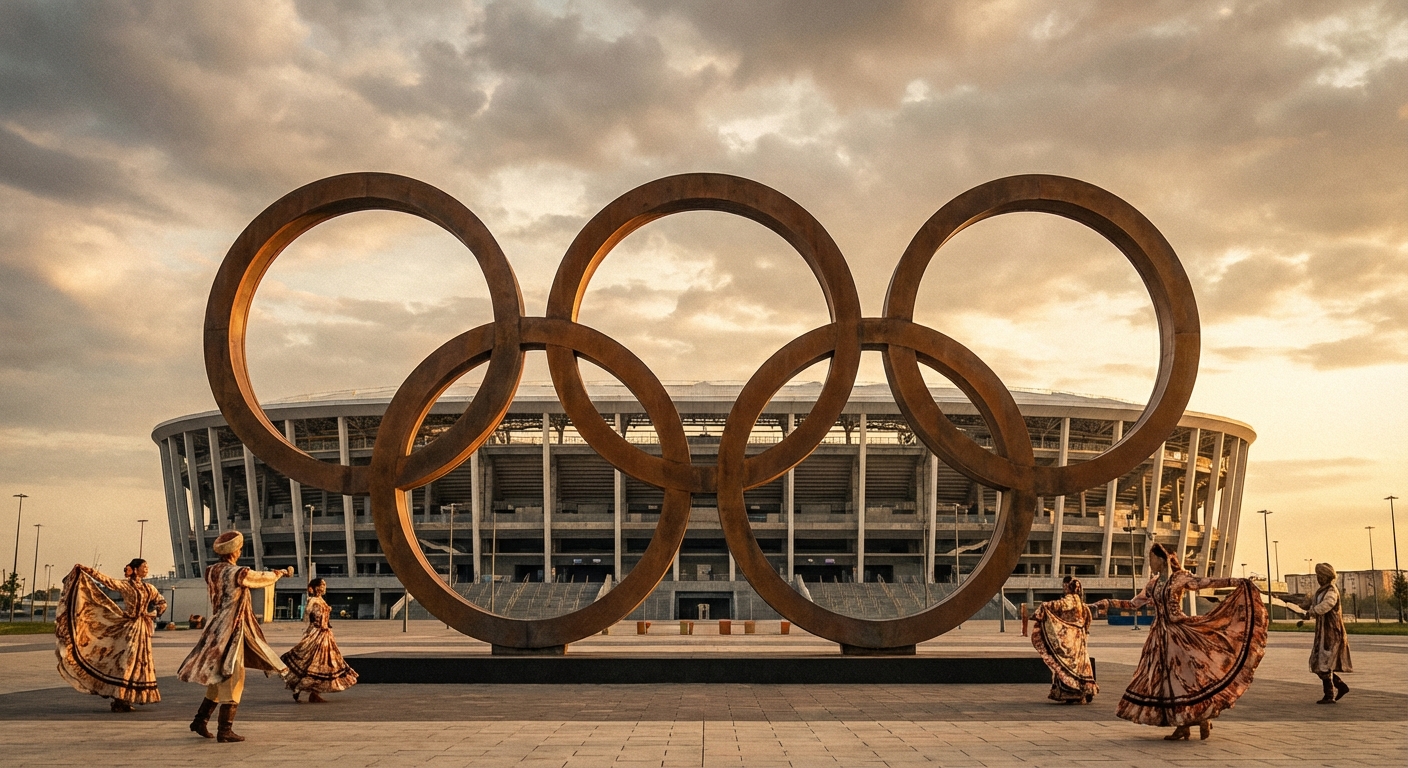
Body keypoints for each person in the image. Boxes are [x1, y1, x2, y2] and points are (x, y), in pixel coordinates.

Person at [1093, 542, 1267, 741]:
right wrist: (1108, 602)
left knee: (1186, 679)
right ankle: (1184, 724)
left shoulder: (1180, 578)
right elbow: (1134, 604)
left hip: (1180, 634)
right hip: (1159, 638)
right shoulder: (1153, 583)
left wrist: (1237, 581)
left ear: (1162, 559)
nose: (1150, 563)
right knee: (1167, 682)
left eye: (1151, 559)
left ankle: (1200, 717)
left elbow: (1206, 582)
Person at [177, 531, 294, 743]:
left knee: (218, 675)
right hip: (232, 627)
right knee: (234, 676)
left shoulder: (211, 570)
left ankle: (200, 720)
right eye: (239, 549)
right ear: (235, 552)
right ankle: (225, 730)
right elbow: (260, 578)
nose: (240, 552)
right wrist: (280, 574)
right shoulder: (238, 572)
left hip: (215, 627)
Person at [54, 558, 167, 712]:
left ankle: (127, 697)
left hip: (142, 628)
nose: (146, 569)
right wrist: (88, 570)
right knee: (127, 661)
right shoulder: (126, 586)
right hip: (130, 628)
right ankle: (120, 697)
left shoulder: (150, 588)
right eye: (143, 566)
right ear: (135, 569)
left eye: (147, 566)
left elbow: (161, 602)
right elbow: (107, 581)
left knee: (140, 663)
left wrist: (154, 613)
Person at [282, 578, 359, 702]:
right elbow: (307, 616)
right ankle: (299, 688)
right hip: (317, 633)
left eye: (324, 585)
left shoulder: (321, 600)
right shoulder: (312, 600)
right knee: (310, 661)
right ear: (316, 587)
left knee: (322, 663)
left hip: (325, 634)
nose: (324, 587)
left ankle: (314, 693)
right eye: (322, 585)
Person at [1286, 562, 1351, 703]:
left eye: (1320, 576)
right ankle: (1340, 686)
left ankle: (1329, 695)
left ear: (1325, 577)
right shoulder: (1321, 591)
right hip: (1322, 632)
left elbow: (1326, 605)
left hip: (1332, 632)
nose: (1318, 578)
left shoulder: (1332, 591)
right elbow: (1312, 603)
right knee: (1319, 663)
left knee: (1324, 662)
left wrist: (1312, 612)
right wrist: (1300, 606)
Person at [1030, 576, 1099, 704]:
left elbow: (1060, 606)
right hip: (1079, 638)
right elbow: (1087, 620)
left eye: (1064, 586)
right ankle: (1081, 691)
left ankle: (1070, 692)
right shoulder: (1080, 601)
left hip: (1070, 639)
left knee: (1067, 663)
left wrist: (1044, 606)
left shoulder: (1070, 599)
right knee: (1079, 664)